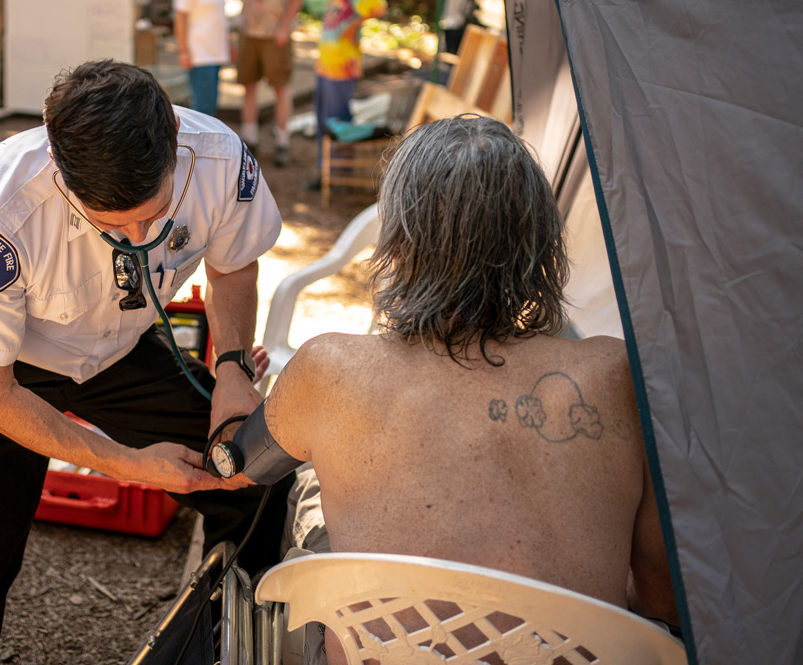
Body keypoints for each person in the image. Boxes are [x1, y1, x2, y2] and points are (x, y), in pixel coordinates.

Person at [0, 60, 292, 664]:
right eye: (115, 224)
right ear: (62, 174)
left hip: (118, 345)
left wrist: (234, 370)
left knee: (257, 473)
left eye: (154, 213)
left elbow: (235, 262)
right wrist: (128, 464)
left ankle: (219, 638)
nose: (140, 236)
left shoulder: (219, 159)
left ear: (171, 136)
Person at [257, 115, 678, 661]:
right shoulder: (618, 373)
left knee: (308, 491)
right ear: (542, 241)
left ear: (399, 240)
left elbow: (237, 465)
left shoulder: (329, 367)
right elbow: (662, 598)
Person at [231, 0, 307, 168]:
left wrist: (286, 27)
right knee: (248, 85)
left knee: (280, 88)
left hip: (277, 33)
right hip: (249, 31)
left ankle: (283, 141)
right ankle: (249, 138)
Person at [309, 0, 387, 191]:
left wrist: (353, 26)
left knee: (337, 122)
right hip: (327, 64)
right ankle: (327, 174)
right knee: (323, 121)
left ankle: (340, 177)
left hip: (341, 66)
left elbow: (378, 5)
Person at [173, 0, 229, 117]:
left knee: (211, 103)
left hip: (217, 52)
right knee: (202, 108)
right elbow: (180, 16)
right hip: (200, 53)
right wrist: (183, 50)